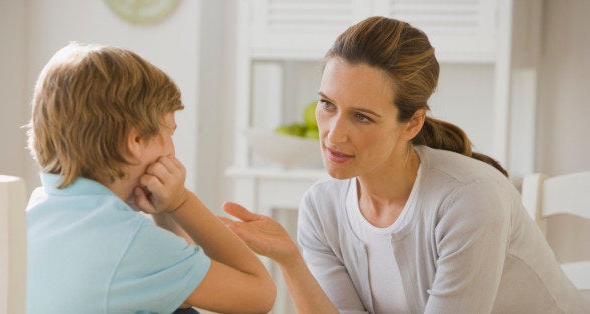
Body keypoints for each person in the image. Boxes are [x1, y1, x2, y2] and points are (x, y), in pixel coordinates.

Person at [221, 16, 590, 313]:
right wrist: (290, 260)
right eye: (327, 104)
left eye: (362, 117)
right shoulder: (321, 207)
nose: (333, 135)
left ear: (411, 123)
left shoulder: (468, 200)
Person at [0, 42, 276, 313]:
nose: (172, 150)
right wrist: (181, 202)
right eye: (169, 132)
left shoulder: (37, 215)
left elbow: (176, 285)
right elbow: (260, 295)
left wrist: (164, 213)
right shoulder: (132, 245)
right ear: (135, 142)